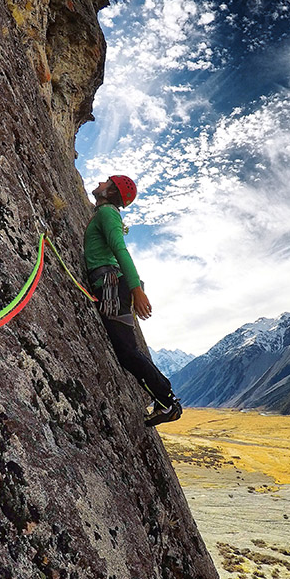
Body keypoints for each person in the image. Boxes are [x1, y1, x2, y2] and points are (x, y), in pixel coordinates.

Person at [84, 175, 182, 427]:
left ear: (112, 192)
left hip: (112, 287)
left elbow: (120, 250)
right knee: (127, 351)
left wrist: (137, 289)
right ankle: (166, 399)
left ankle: (167, 400)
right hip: (113, 286)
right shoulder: (106, 213)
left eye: (106, 182)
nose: (100, 183)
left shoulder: (107, 213)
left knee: (127, 352)